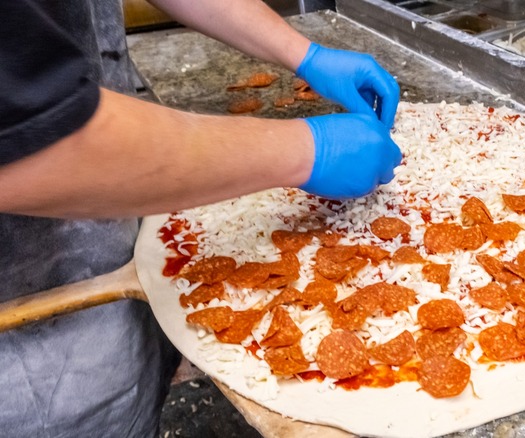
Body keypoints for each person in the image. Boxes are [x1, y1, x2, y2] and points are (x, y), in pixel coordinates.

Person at [0, 0, 401, 436]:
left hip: (111, 225)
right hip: (23, 350)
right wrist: (305, 150)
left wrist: (302, 52)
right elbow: (37, 152)